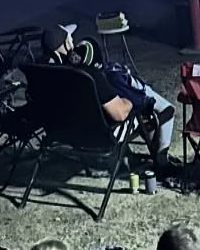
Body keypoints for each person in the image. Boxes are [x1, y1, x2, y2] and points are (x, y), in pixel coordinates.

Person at [39, 23, 175, 163]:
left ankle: (128, 159)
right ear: (67, 45)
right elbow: (119, 114)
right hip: (97, 137)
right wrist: (129, 101)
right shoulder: (88, 76)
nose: (73, 42)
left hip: (63, 134)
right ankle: (161, 162)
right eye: (70, 39)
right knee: (148, 110)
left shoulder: (41, 76)